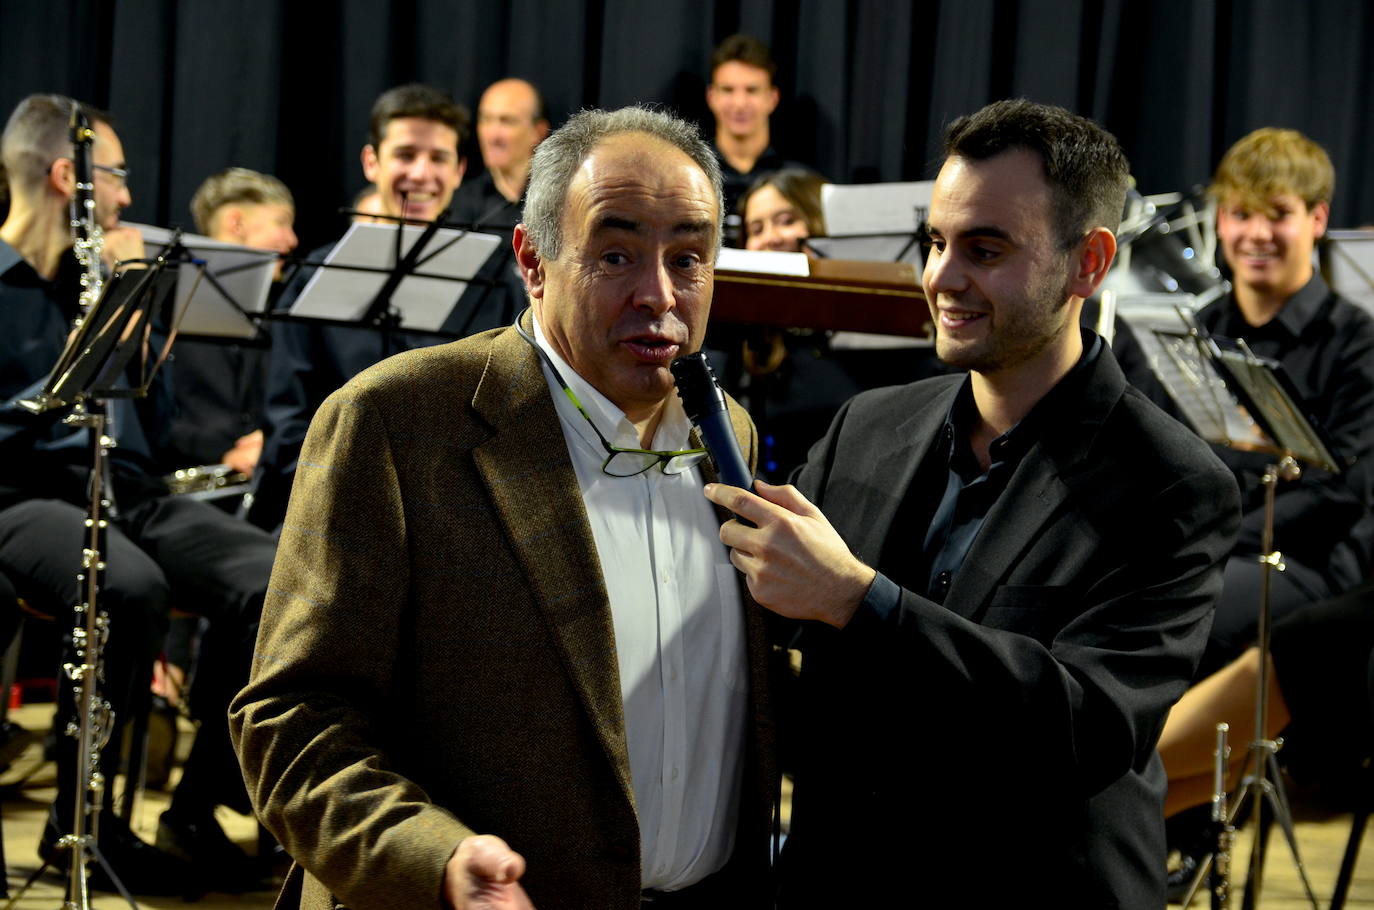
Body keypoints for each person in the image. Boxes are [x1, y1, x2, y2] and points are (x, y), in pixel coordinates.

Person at [231, 105, 776, 910]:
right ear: (533, 259)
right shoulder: (395, 421)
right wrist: (438, 861)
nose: (659, 294)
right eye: (616, 253)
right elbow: (291, 720)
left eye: (688, 259)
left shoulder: (726, 429)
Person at [702, 98, 1241, 907]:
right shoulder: (867, 424)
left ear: (1089, 263)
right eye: (936, 242)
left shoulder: (1173, 482)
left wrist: (862, 601)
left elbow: (1085, 728)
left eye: (984, 249)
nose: (941, 278)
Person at [0, 93, 277, 895]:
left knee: (279, 580)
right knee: (127, 585)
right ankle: (81, 823)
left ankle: (193, 808)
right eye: (115, 176)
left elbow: (148, 428)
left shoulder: (104, 277)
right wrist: (81, 364)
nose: (125, 196)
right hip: (21, 495)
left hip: (127, 488)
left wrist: (137, 333)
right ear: (68, 177)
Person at [252, 84, 520, 531]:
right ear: (371, 162)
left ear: (459, 171)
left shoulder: (492, 280)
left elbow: (508, 412)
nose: (421, 173)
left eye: (438, 158)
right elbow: (287, 426)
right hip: (334, 508)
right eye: (405, 154)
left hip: (456, 515)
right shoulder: (314, 277)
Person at [1190, 127, 1374, 677]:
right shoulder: (1202, 330)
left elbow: (1340, 494)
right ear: (1220, 220)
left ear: (1316, 220)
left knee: (1186, 616)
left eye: (1277, 214)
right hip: (1211, 549)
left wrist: (1209, 540)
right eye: (1241, 214)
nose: (1257, 233)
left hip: (1305, 561)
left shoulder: (1357, 342)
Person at [161, 167, 299, 475]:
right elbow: (152, 418)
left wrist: (268, 441)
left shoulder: (278, 313)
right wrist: (223, 451)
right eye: (281, 223)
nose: (292, 240)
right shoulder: (164, 306)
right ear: (236, 222)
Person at [705, 34, 807, 239]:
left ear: (772, 98)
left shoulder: (799, 183)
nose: (740, 103)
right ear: (712, 97)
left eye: (752, 90)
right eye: (728, 90)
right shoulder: (692, 175)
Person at [453, 77, 549, 238]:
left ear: (538, 131)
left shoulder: (556, 200)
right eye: (486, 119)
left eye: (507, 121)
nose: (492, 135)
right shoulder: (458, 200)